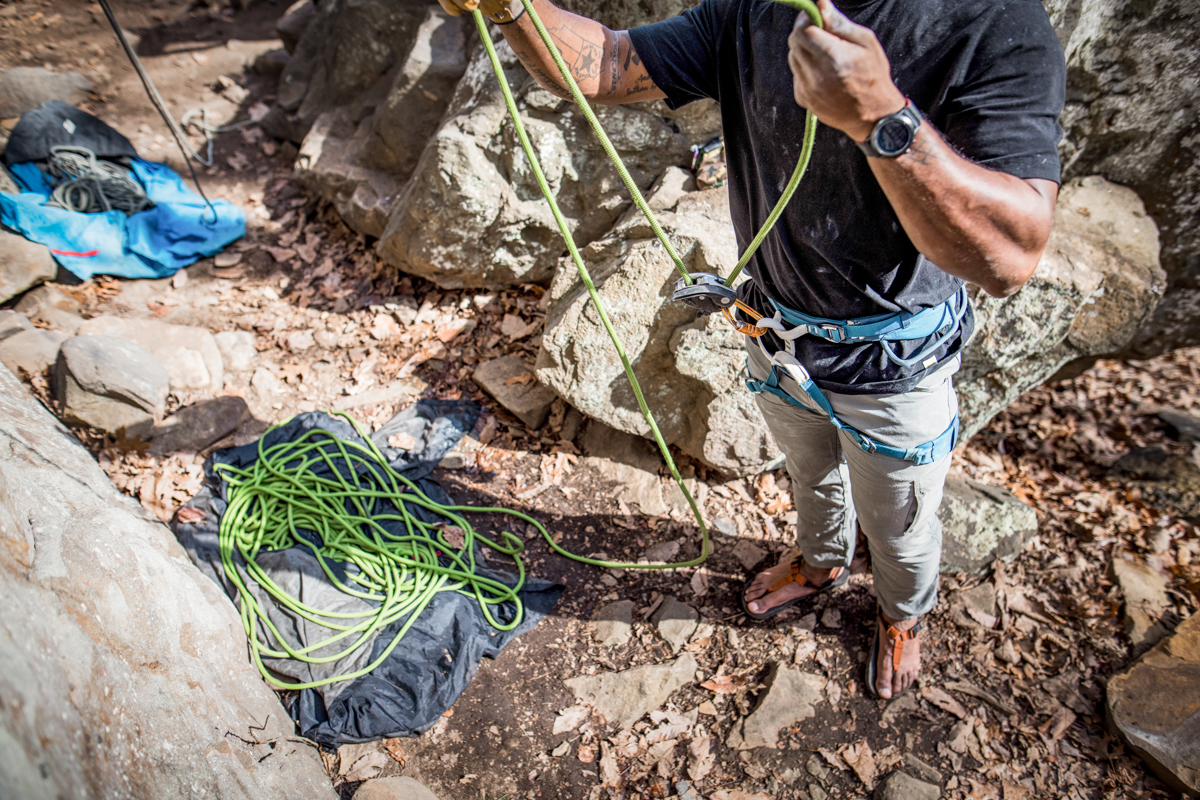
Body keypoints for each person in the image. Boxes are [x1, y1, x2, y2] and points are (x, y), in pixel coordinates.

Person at [437, 0, 1066, 698]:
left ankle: (902, 614)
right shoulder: (758, 7)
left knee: (899, 528)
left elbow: (1010, 259)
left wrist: (879, 118)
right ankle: (821, 562)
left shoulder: (993, 22)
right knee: (811, 474)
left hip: (896, 369)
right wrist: (511, 7)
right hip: (777, 336)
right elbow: (610, 64)